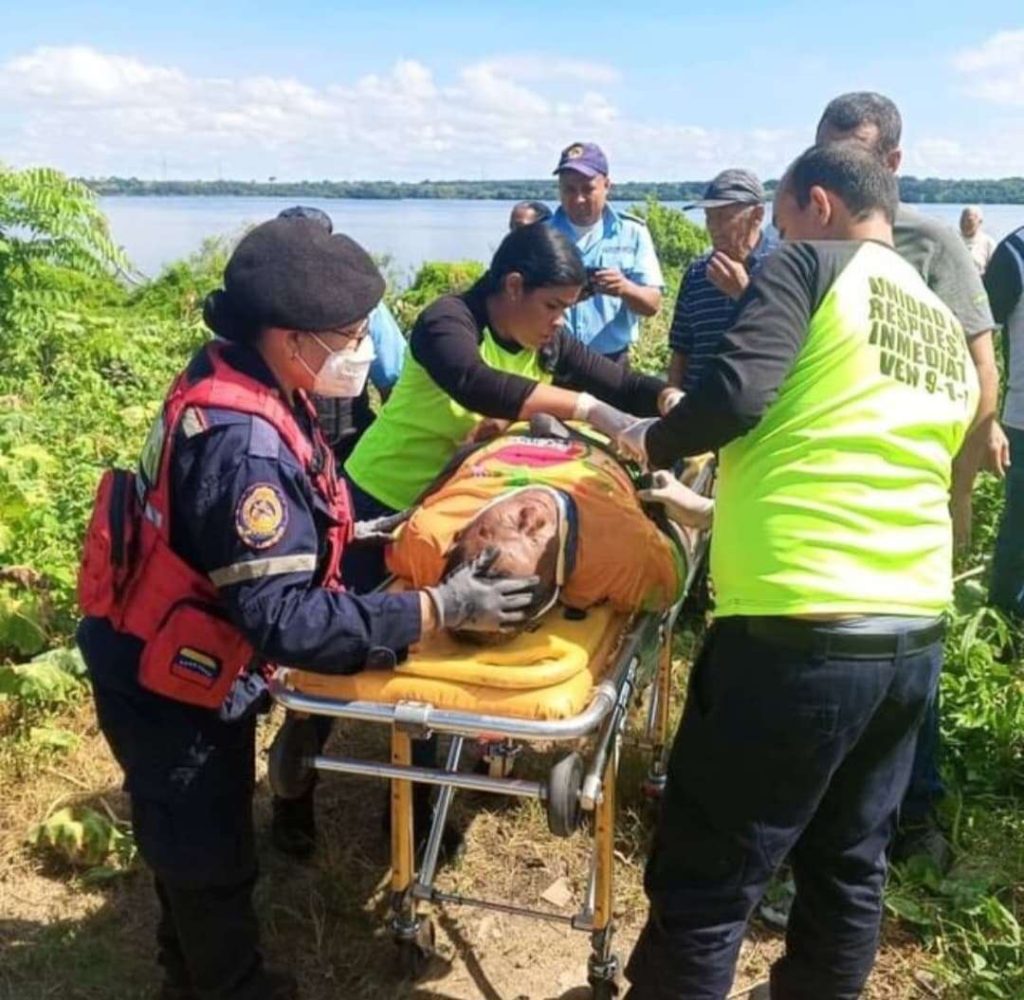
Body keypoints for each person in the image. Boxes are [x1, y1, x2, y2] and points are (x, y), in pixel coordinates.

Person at [75, 217, 538, 1000]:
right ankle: (229, 983)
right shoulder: (243, 439)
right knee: (206, 851)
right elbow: (283, 619)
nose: (362, 349)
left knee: (185, 838)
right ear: (292, 340)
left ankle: (182, 973)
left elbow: (260, 531)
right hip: (163, 677)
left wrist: (367, 531)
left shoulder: (246, 377)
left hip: (166, 647)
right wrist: (438, 607)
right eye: (351, 335)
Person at [619, 143, 978, 1000]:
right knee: (850, 862)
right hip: (911, 631)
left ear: (815, 203)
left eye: (778, 223)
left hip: (797, 625)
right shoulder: (930, 308)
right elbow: (877, 441)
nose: (771, 242)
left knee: (710, 878)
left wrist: (647, 437)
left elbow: (737, 396)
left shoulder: (810, 266)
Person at [815, 91, 1008, 865]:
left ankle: (918, 813)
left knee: (908, 646)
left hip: (908, 486)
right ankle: (833, 816)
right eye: (826, 151)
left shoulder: (931, 247)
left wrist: (956, 488)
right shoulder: (808, 242)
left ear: (893, 163)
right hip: (827, 485)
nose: (839, 170)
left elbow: (981, 371)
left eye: (856, 154)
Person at [342, 221, 683, 593]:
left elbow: (624, 385)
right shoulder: (448, 321)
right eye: (551, 305)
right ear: (514, 286)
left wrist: (670, 399)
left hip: (453, 508)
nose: (559, 321)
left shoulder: (551, 342)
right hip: (379, 498)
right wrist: (590, 409)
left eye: (567, 308)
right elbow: (475, 384)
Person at [387, 417, 688, 628]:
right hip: (613, 437)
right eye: (535, 539)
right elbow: (672, 576)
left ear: (459, 535)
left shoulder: (427, 537)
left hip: (513, 421)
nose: (531, 517)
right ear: (553, 589)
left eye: (488, 532)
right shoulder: (621, 550)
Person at [276, 206, 406, 466]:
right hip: (285, 451)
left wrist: (391, 452)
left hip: (351, 447)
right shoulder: (261, 311)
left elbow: (394, 383)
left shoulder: (366, 310)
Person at [548, 142, 664, 364]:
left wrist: (624, 288)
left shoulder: (632, 233)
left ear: (607, 186)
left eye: (587, 189)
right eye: (569, 189)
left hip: (611, 361)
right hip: (551, 359)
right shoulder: (542, 234)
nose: (578, 198)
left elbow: (652, 305)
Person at [669, 168, 778, 392]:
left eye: (724, 218)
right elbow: (681, 348)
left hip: (759, 414)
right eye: (709, 218)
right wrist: (671, 394)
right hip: (697, 410)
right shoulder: (697, 273)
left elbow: (793, 341)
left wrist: (744, 294)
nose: (714, 228)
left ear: (757, 215)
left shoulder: (784, 268)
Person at [984, 222, 1024, 616]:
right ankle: (1007, 630)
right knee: (1019, 536)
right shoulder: (1015, 251)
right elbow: (977, 335)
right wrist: (988, 418)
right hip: (1023, 421)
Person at [960, 205, 996, 274]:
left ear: (980, 222)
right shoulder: (953, 240)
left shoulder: (988, 243)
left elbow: (995, 271)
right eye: (962, 220)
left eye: (969, 220)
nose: (965, 223)